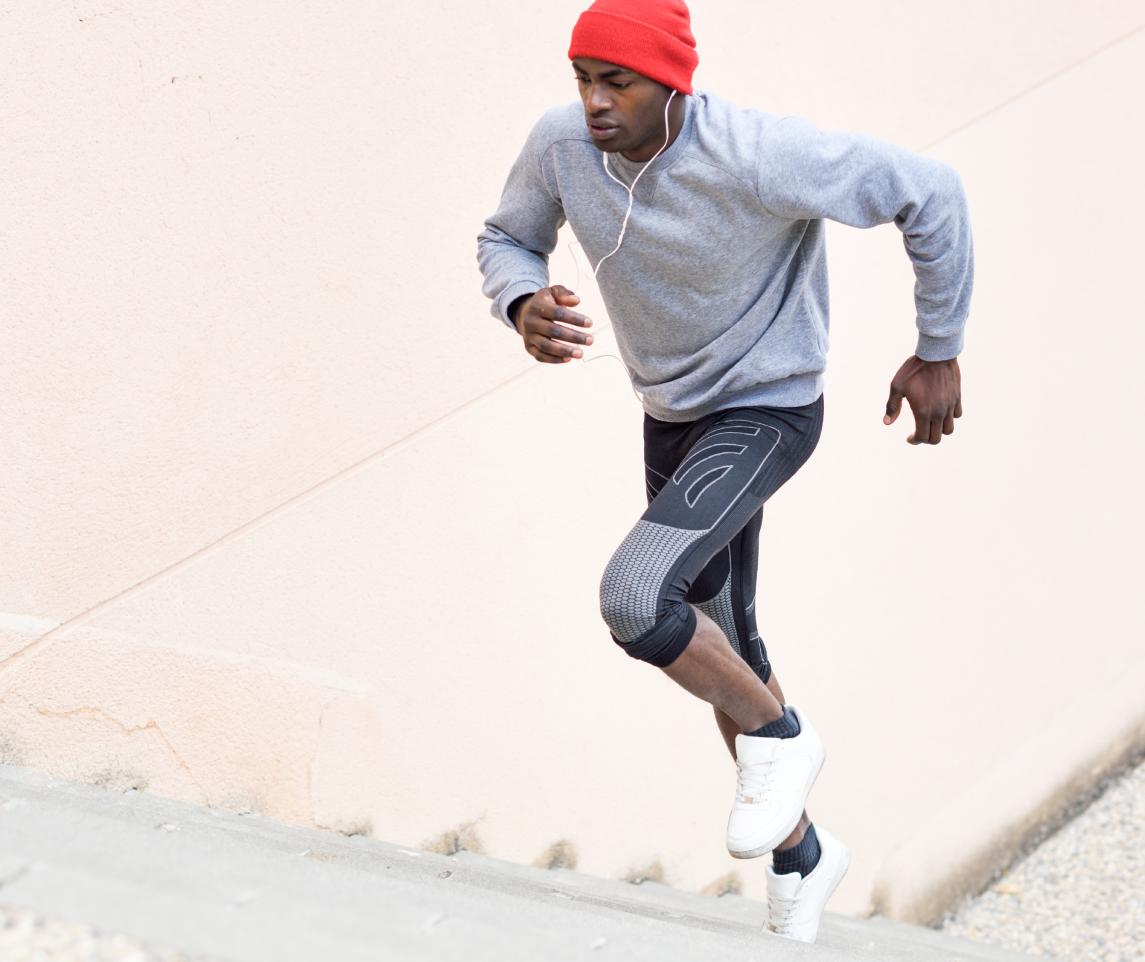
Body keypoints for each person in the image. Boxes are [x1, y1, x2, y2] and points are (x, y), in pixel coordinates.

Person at [475, 0, 973, 943]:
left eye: (615, 81)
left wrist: (936, 348)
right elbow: (506, 237)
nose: (592, 101)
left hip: (767, 408)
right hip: (671, 420)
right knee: (717, 640)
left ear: (672, 82)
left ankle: (785, 739)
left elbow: (930, 190)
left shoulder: (755, 152)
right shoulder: (559, 147)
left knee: (635, 597)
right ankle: (800, 856)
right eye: (581, 77)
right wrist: (520, 301)